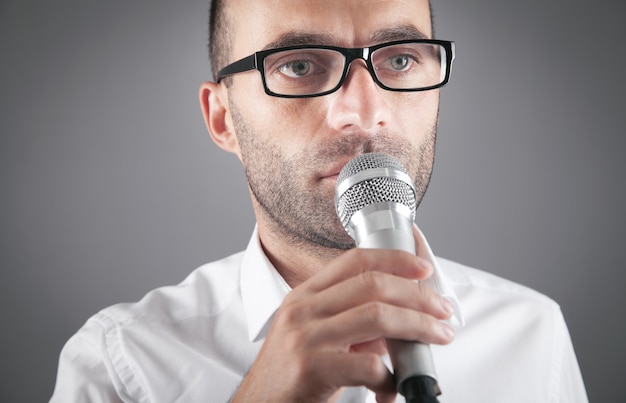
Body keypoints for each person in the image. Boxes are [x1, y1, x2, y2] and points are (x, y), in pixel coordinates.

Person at [50, 0, 588, 402]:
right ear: (222, 119)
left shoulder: (532, 332)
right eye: (300, 65)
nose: (364, 111)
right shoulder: (121, 365)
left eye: (400, 60)